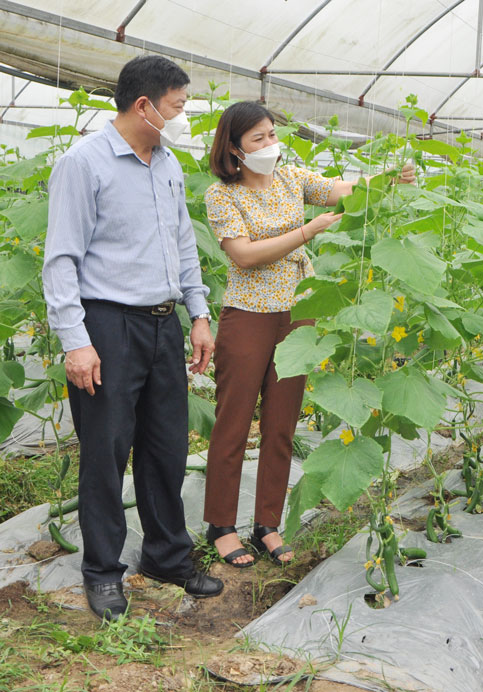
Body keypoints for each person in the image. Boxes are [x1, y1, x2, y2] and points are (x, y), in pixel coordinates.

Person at [42, 55, 222, 621]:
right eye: (177, 107)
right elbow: (61, 259)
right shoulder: (84, 164)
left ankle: (167, 556)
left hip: (163, 322)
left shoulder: (165, 163)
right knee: (106, 450)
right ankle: (101, 571)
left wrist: (198, 313)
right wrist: (76, 340)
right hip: (106, 325)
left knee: (167, 447)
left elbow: (184, 243)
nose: (182, 117)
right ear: (144, 106)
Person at [202, 101, 416, 567]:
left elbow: (341, 189)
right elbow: (243, 255)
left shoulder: (292, 179)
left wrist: (385, 178)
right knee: (234, 423)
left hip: (297, 315)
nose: (269, 145)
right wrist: (307, 231)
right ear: (234, 148)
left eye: (271, 135)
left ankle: (267, 525)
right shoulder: (222, 196)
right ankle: (220, 526)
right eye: (258, 139)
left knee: (281, 426)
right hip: (249, 314)